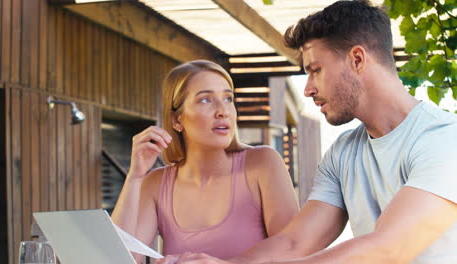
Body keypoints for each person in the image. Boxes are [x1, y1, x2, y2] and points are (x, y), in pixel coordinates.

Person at [157, 1, 457, 264]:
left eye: (316, 70)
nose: (309, 89)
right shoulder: (343, 153)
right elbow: (295, 243)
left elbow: (387, 250)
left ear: (357, 59)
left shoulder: (444, 139)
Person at [111, 60, 299, 264]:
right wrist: (135, 177)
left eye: (228, 99)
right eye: (205, 100)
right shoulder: (155, 184)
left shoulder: (263, 164)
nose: (222, 111)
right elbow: (118, 260)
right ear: (176, 120)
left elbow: (295, 252)